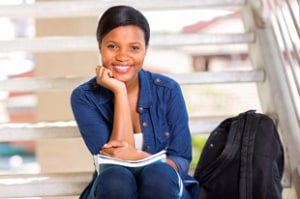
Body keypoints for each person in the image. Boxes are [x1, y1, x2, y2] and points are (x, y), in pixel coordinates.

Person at [70, 5, 199, 199]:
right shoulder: (85, 97)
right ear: (100, 46)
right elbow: (114, 161)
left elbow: (180, 159)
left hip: (165, 189)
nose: (123, 56)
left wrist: (139, 157)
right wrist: (120, 92)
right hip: (113, 189)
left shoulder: (167, 90)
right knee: (115, 178)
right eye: (112, 46)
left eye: (134, 47)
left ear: (146, 49)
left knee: (160, 175)